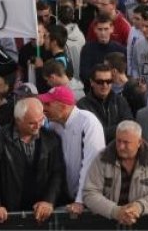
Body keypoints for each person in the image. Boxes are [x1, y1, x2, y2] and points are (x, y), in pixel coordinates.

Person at [0, 97, 66, 224]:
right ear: (18, 121)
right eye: (32, 123)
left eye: (41, 120)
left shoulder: (51, 138)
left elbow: (57, 173)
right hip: (8, 213)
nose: (38, 126)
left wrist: (49, 201)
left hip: (40, 213)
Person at [82, 120, 148, 224]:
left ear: (139, 142)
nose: (121, 147)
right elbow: (90, 193)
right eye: (118, 141)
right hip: (108, 222)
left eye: (126, 142)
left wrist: (139, 207)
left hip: (146, 222)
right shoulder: (101, 158)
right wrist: (115, 211)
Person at [39, 85, 106, 216]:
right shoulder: (53, 125)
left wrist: (80, 200)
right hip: (66, 198)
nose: (44, 108)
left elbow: (92, 164)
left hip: (88, 202)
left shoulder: (88, 121)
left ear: (63, 107)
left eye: (47, 104)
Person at [77, 64, 134, 143]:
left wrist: (101, 131)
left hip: (118, 150)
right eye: (100, 82)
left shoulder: (120, 101)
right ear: (92, 82)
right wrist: (118, 129)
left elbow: (129, 127)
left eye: (108, 81)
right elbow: (87, 134)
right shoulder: (82, 105)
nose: (105, 85)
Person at [79, 17, 127, 91]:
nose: (103, 33)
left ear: (112, 29)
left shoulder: (121, 49)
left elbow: (124, 73)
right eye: (100, 29)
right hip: (92, 93)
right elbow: (84, 75)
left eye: (106, 29)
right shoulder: (87, 49)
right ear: (95, 29)